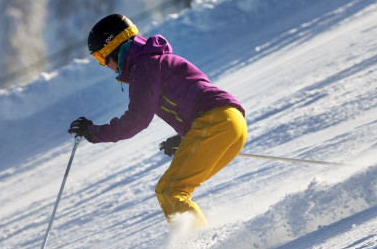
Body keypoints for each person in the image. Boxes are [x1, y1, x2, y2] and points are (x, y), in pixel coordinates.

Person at [69, 14, 247, 228]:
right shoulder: (154, 62)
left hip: (215, 122)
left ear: (112, 46)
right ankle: (203, 248)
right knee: (174, 189)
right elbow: (192, 95)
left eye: (100, 57)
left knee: (169, 190)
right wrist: (187, 137)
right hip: (230, 122)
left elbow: (137, 119)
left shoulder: (144, 66)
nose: (104, 65)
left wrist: (95, 132)